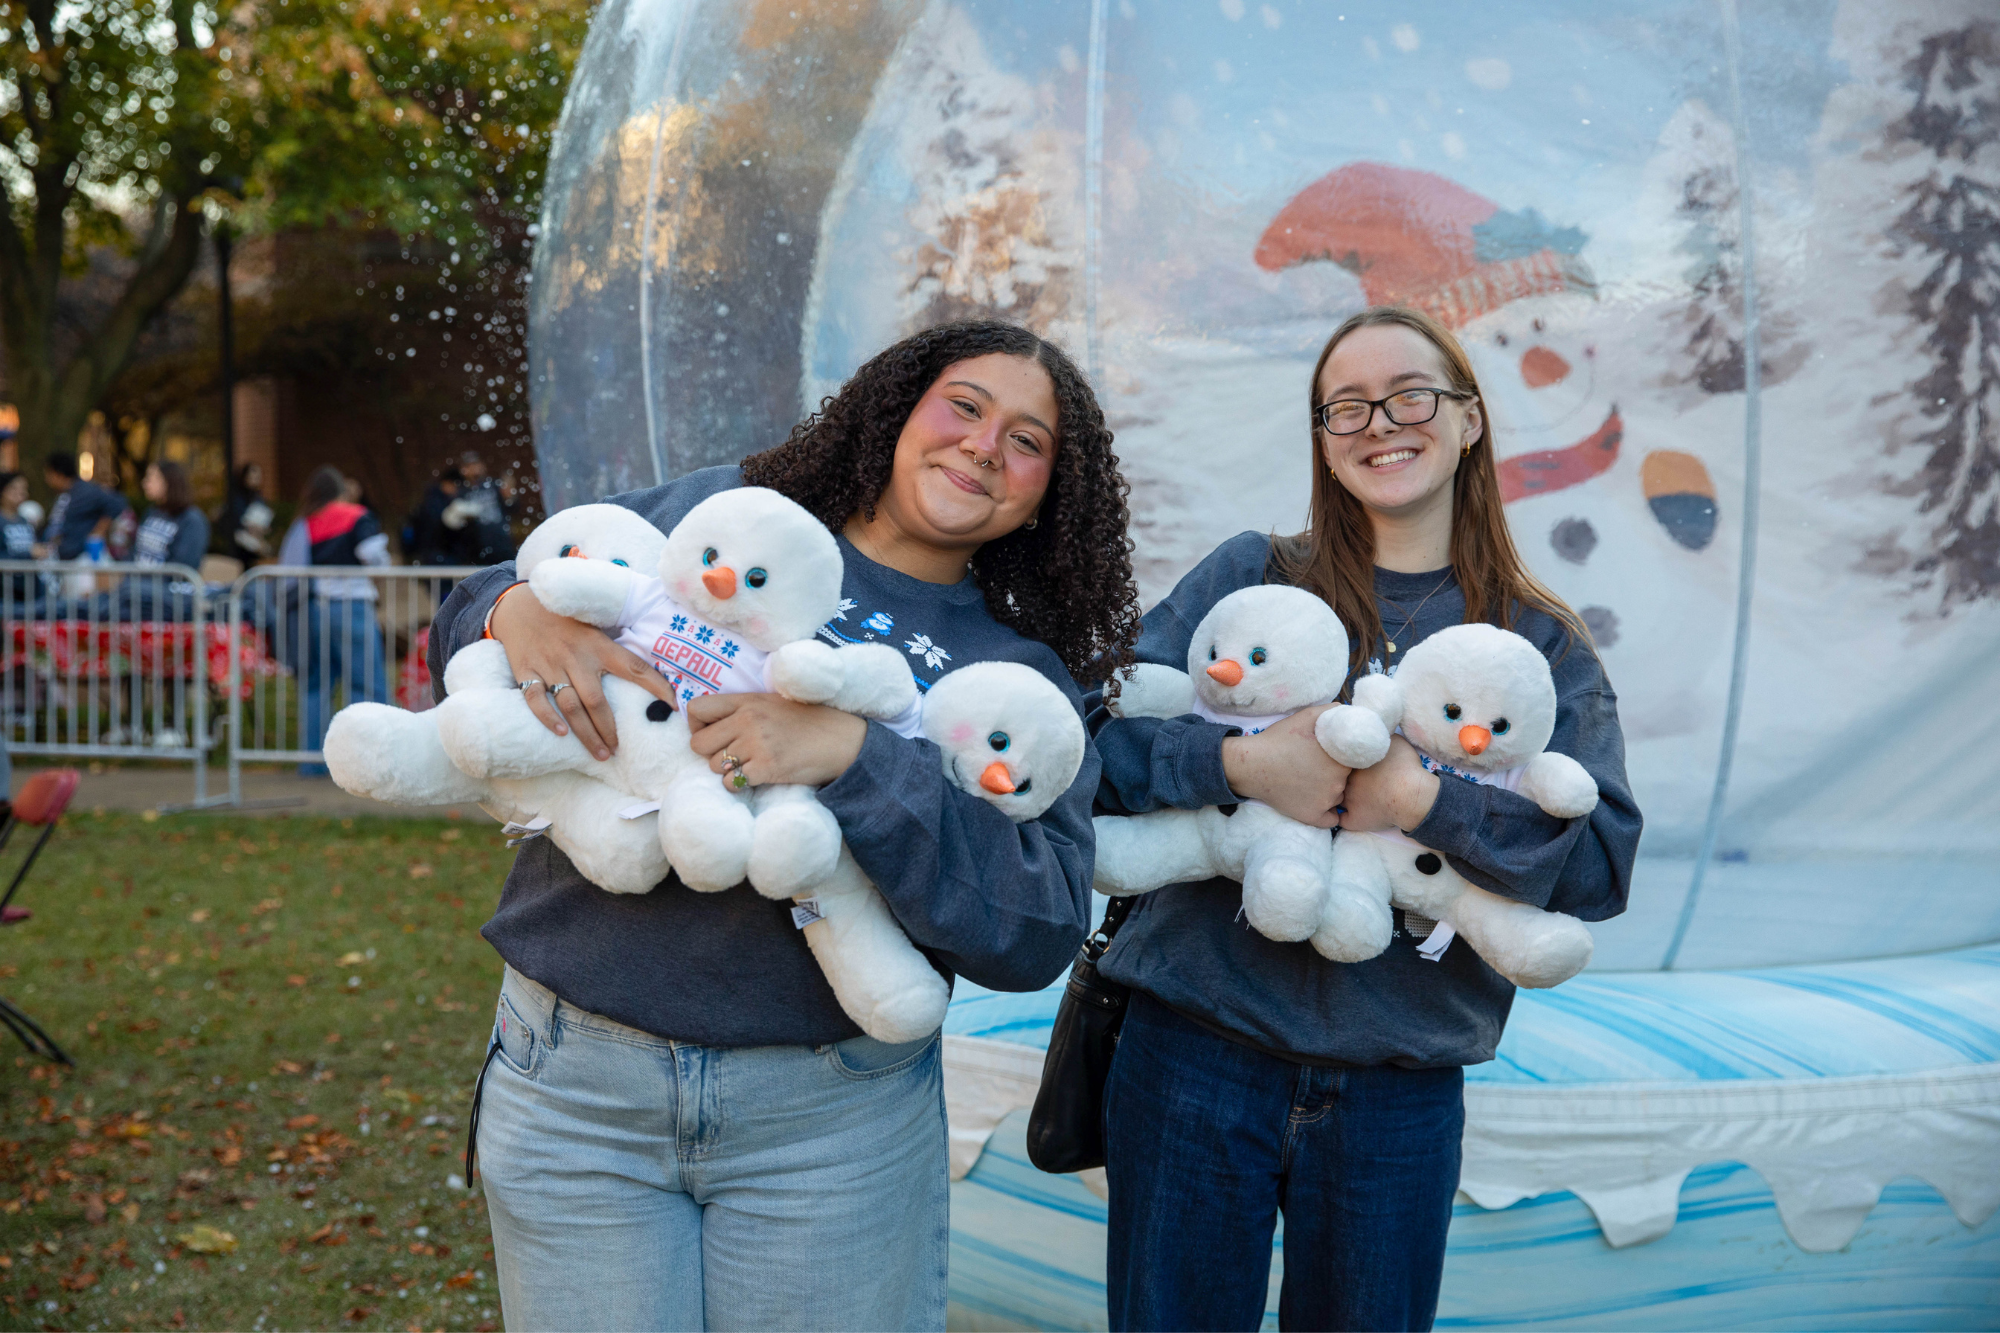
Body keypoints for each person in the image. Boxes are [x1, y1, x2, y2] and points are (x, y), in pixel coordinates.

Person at [428, 319, 1141, 1331]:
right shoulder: (733, 512)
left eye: (1027, 441)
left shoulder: (1017, 679)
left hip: (829, 1124)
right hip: (577, 1088)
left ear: (1049, 494)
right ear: (894, 411)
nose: (985, 446)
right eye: (965, 406)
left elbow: (1032, 928)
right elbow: (481, 598)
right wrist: (514, 611)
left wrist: (855, 757)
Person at [1089, 305, 1643, 1333]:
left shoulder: (1537, 642)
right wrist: (1243, 764)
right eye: (1345, 405)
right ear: (1321, 436)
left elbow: (1600, 865)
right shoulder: (1252, 576)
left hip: (1399, 1089)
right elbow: (1089, 751)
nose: (1378, 422)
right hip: (1196, 1054)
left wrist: (1419, 800)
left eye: (1408, 395)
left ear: (1469, 420)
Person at [285, 466, 389, 775]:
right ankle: (366, 764)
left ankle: (313, 763)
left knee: (316, 686)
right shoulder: (357, 516)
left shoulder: (307, 520)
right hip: (353, 605)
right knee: (365, 684)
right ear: (340, 490)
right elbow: (374, 556)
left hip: (316, 609)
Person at [34, 451, 127, 561]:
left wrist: (98, 532)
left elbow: (117, 503)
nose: (46, 480)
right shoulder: (64, 494)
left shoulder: (86, 491)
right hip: (59, 557)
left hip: (80, 559)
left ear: (58, 474)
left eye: (48, 474)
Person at [213, 461, 274, 562]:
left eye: (258, 476)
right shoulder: (236, 498)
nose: (256, 479)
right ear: (245, 477)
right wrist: (249, 527)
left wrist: (263, 529)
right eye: (253, 476)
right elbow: (234, 521)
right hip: (239, 547)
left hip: (254, 544)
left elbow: (265, 522)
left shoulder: (258, 498)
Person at [407, 464, 464, 566]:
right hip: (435, 552)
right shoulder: (435, 502)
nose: (456, 490)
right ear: (447, 483)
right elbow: (435, 527)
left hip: (434, 552)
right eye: (456, 486)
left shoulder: (433, 498)